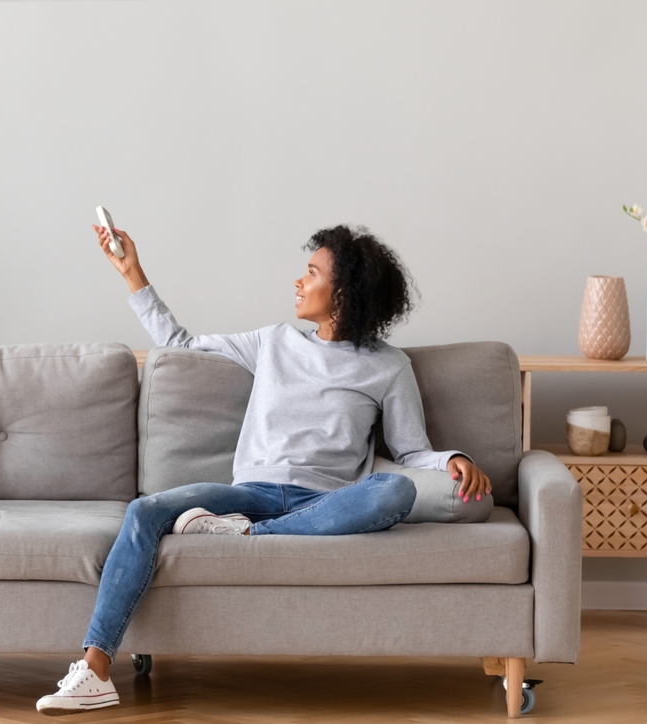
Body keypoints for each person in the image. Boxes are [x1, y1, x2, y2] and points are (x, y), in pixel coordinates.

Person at [35, 223, 492, 715]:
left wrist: (454, 459)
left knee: (394, 491)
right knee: (146, 510)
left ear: (344, 292)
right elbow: (180, 344)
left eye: (312, 272)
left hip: (323, 503)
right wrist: (133, 274)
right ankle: (96, 670)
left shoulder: (388, 367)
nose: (299, 281)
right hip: (248, 495)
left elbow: (410, 451)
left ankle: (248, 535)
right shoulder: (274, 341)